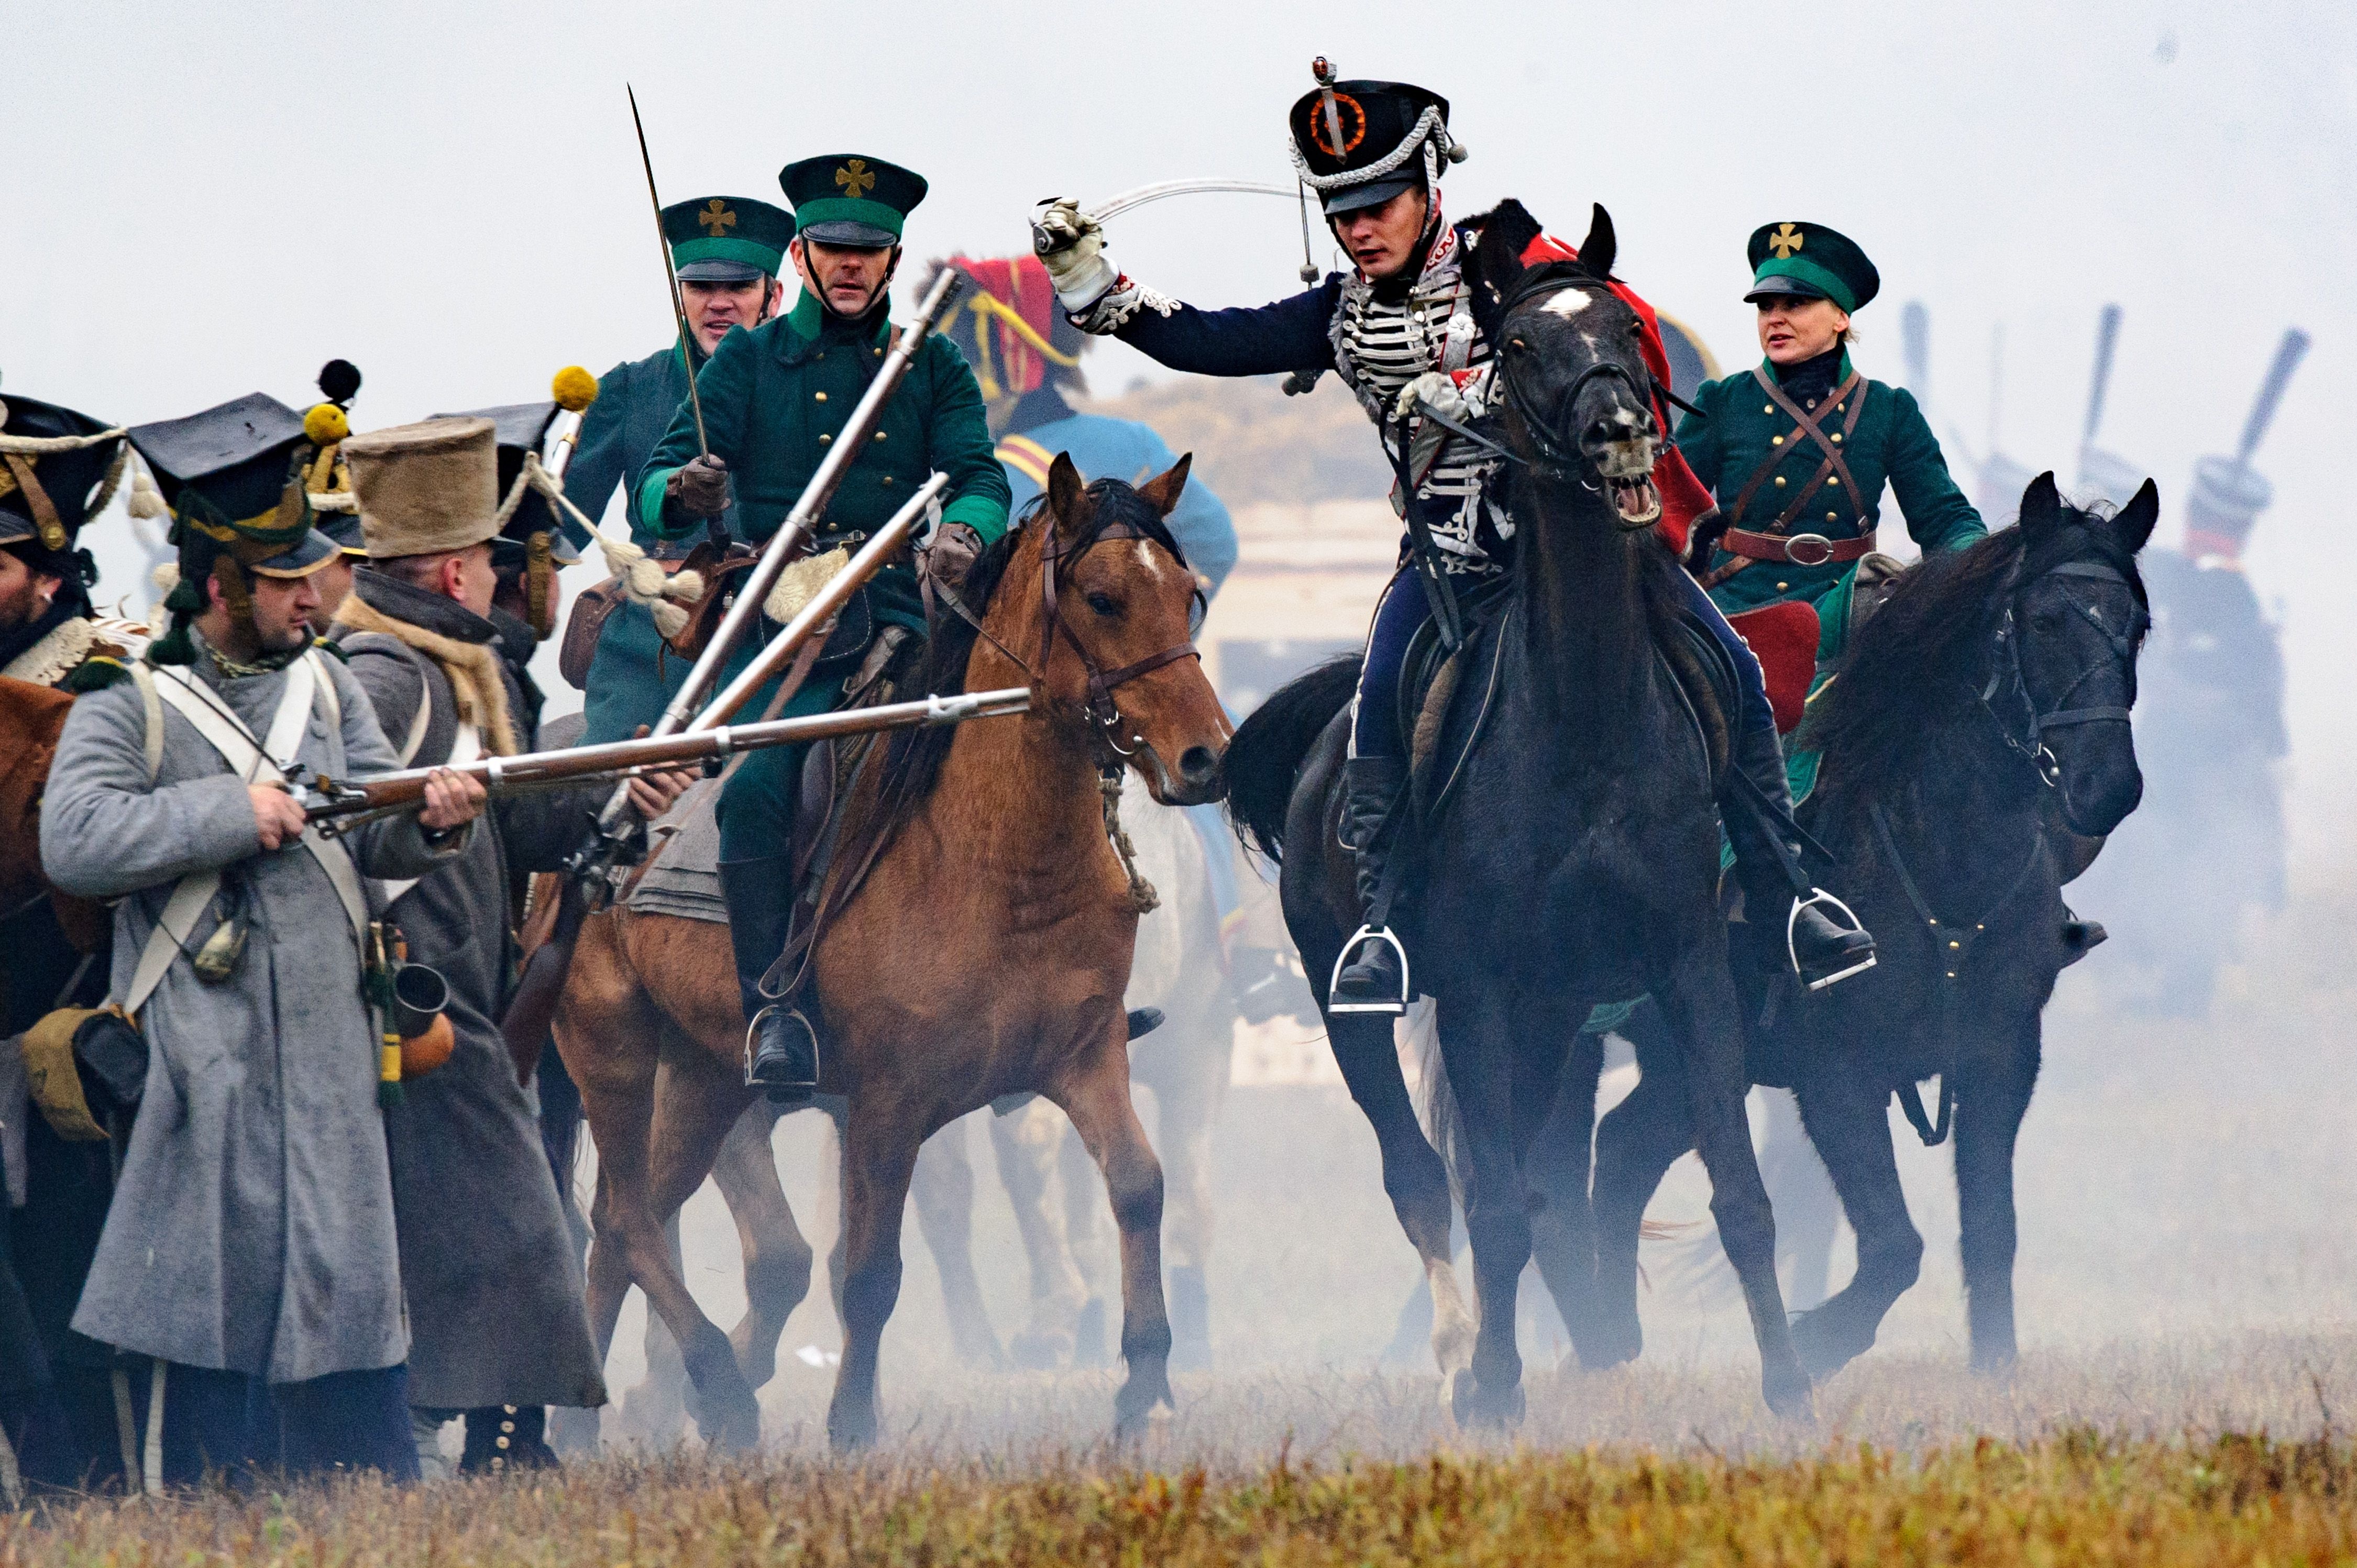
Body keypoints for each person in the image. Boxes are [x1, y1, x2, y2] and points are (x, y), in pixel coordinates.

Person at [1031, 70, 1875, 1007]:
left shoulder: (1509, 263)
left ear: (1428, 187)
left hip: (1576, 554)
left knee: (1733, 668)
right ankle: (1383, 921)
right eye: (1342, 212)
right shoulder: (1337, 313)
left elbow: (1604, 342)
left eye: (1379, 205)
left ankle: (1794, 892)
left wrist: (1479, 390)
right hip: (1447, 562)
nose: (1360, 229)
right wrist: (1093, 281)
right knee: (1378, 707)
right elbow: (1209, 338)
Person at [39, 394, 486, 1487]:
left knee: (352, 1292)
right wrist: (228, 813)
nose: (312, 596)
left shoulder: (329, 686)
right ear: (222, 584)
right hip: (205, 1053)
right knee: (212, 1304)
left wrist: (434, 821)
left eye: (311, 575)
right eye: (285, 580)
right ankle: (217, 1503)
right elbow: (76, 842)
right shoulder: (127, 704)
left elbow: (374, 836)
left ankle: (369, 1500)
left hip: (331, 1048)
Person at [327, 416, 691, 1477]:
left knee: (475, 1230)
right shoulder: (390, 675)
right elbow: (340, 833)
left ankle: (480, 1436)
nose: (500, 575)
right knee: (517, 1228)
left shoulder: (458, 669)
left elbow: (517, 824)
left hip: (448, 998)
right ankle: (480, 1441)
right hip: (403, 1003)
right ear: (454, 570)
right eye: (487, 558)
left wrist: (623, 788)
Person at [640, 153, 1009, 1096]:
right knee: (759, 792)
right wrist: (685, 489)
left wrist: (966, 531)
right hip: (784, 624)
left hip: (902, 612)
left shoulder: (930, 362)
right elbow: (659, 484)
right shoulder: (748, 360)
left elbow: (979, 473)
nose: (851, 265)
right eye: (834, 249)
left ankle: (1028, 1001)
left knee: (1014, 754)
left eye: (869, 251)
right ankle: (774, 1009)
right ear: (800, 255)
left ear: (893, 260)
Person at [0, 390, 149, 1490]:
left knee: (69, 1275)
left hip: (71, 1034)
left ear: (48, 577)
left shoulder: (104, 681)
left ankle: (89, 1488)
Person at [1676, 222, 1985, 661]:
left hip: (1844, 611)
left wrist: (1988, 561)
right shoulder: (1722, 402)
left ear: (1841, 317)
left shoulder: (1889, 410)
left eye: (1796, 304)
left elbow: (1945, 520)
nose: (1775, 318)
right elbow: (1673, 509)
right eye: (1766, 307)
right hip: (1734, 611)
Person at [567, 196, 796, 749]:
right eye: (700, 287)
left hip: (777, 628)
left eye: (739, 287)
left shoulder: (811, 391)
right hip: (650, 642)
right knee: (600, 773)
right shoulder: (627, 390)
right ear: (680, 297)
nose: (718, 303)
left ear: (774, 295)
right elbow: (558, 525)